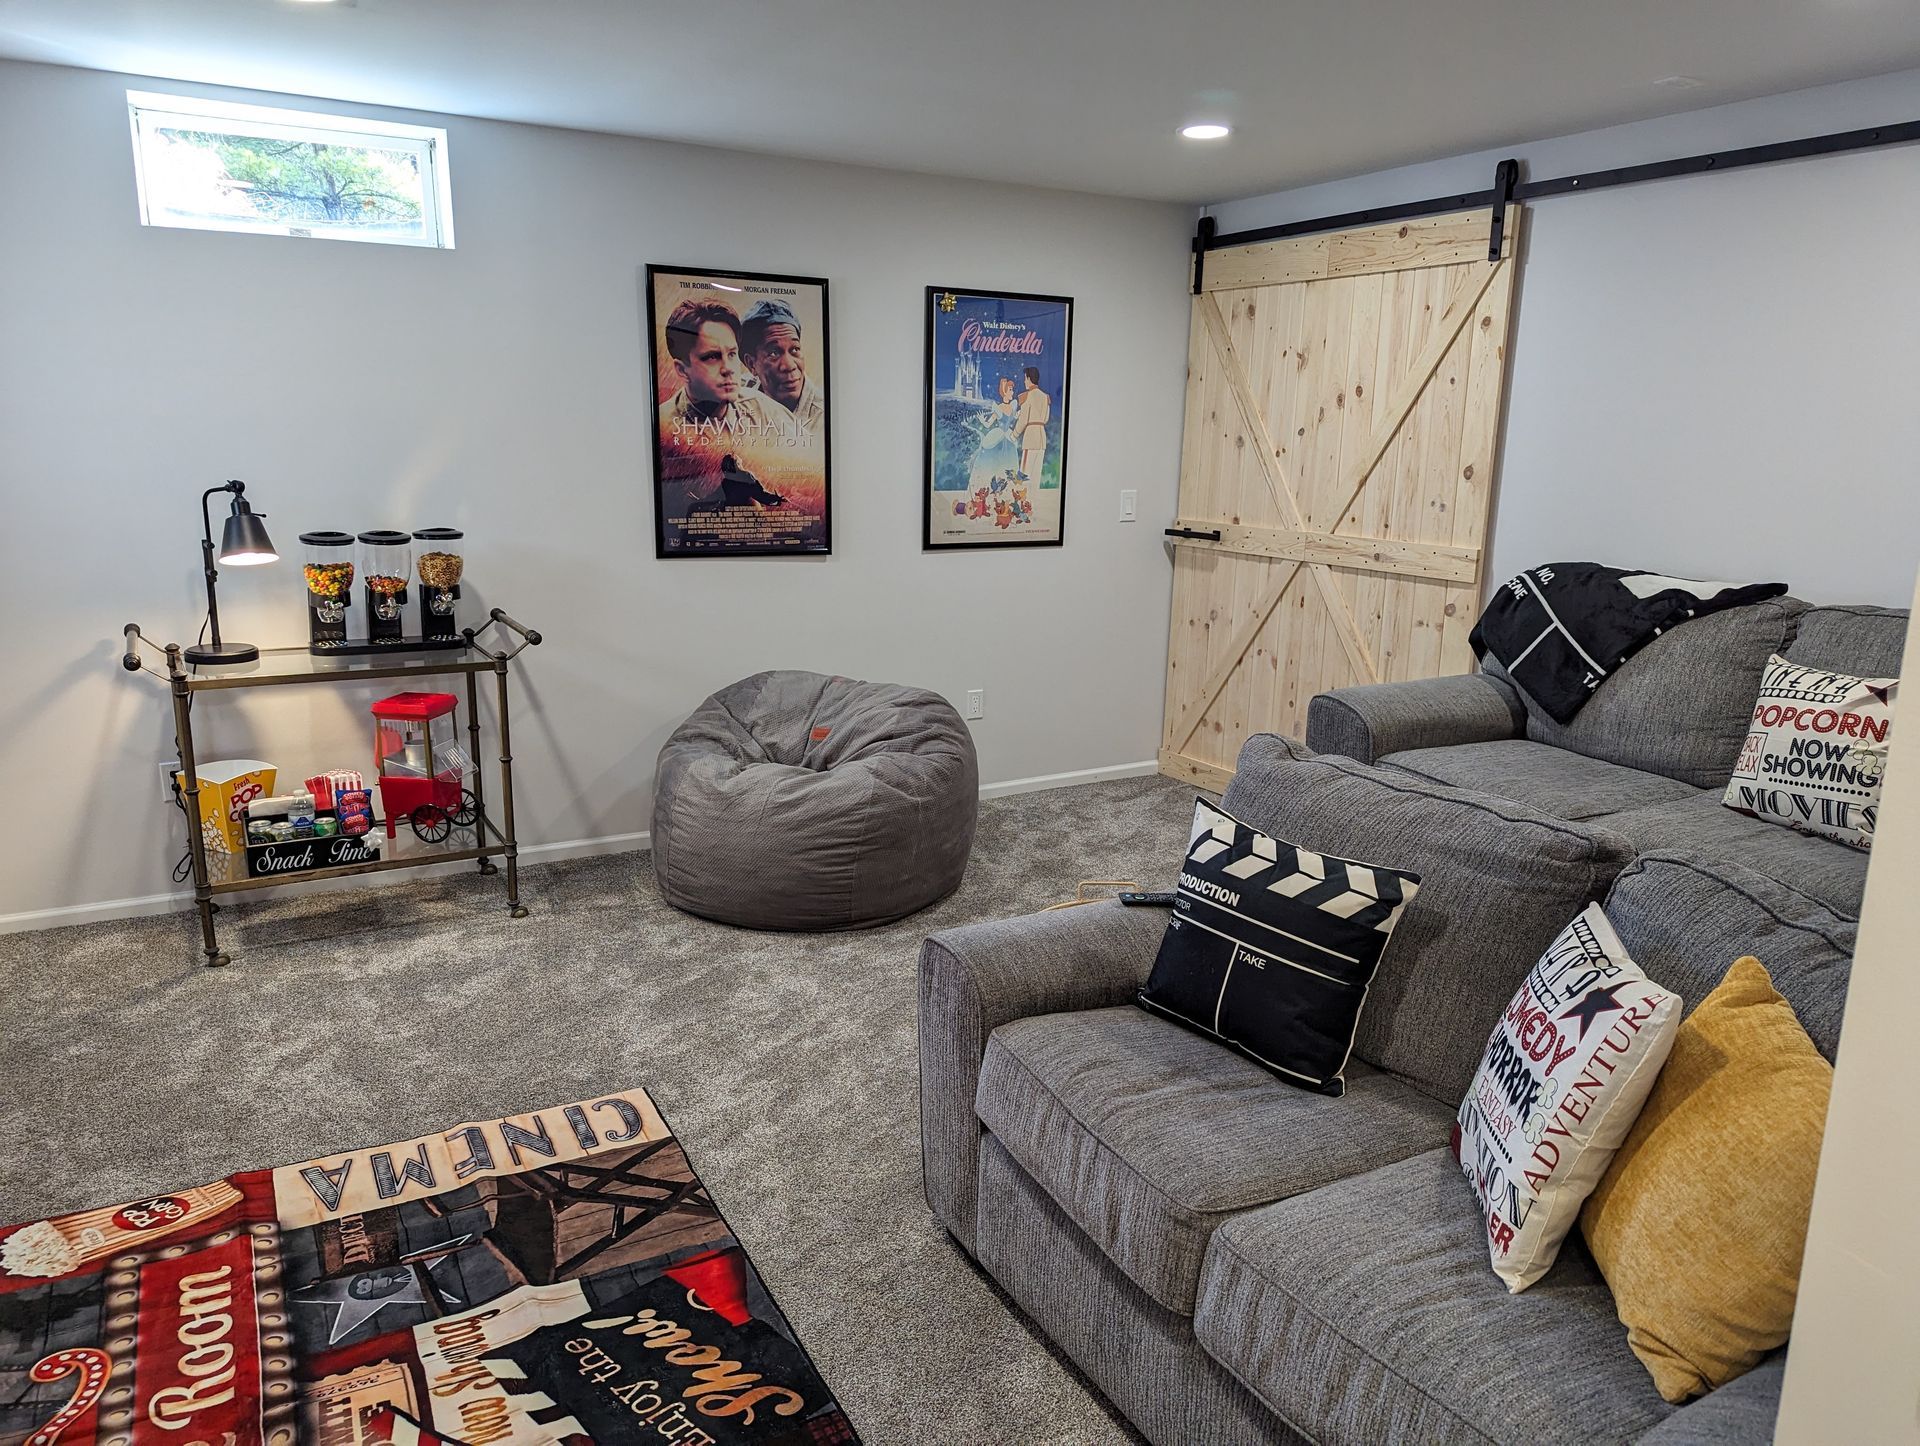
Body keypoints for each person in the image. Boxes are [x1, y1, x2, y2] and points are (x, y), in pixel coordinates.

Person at [658, 298, 787, 443]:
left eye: (732, 354)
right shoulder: (663, 429)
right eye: (712, 357)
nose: (728, 369)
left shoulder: (763, 410)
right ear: (682, 370)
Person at [739, 298, 827, 434]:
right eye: (774, 353)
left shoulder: (822, 419)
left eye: (795, 349)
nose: (789, 365)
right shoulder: (740, 393)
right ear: (751, 364)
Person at [967, 374, 1021, 491]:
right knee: (995, 464)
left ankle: (1009, 492)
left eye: (1012, 390)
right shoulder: (998, 407)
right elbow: (988, 424)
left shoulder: (1013, 406)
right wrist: (982, 420)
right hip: (999, 437)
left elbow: (1016, 416)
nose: (1012, 392)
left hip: (1009, 439)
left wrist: (1021, 413)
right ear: (1004, 391)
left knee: (1010, 465)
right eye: (1010, 390)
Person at [1014, 365, 1051, 481]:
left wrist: (1014, 434)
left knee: (1025, 476)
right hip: (1041, 438)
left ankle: (1025, 499)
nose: (1024, 381)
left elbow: (1023, 420)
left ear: (1029, 379)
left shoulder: (1027, 396)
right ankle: (1033, 498)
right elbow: (1045, 419)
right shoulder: (1045, 397)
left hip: (1030, 438)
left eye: (1025, 378)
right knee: (1036, 476)